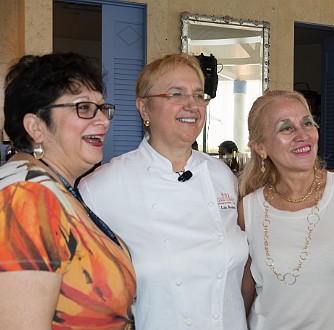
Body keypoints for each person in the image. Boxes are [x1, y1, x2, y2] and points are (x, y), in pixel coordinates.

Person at [0, 53, 136, 329]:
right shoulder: (24, 199)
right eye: (84, 108)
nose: (103, 120)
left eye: (102, 108)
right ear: (36, 126)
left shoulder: (47, 187)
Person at [78, 54, 249, 329]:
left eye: (198, 95)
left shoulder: (222, 175)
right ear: (144, 108)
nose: (192, 105)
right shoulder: (101, 188)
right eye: (176, 94)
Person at [238, 90, 334, 329]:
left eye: (307, 123)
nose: (303, 135)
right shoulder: (248, 210)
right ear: (260, 147)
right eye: (286, 128)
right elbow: (243, 297)